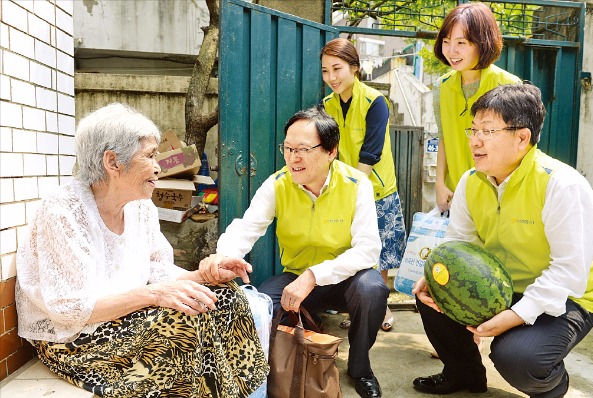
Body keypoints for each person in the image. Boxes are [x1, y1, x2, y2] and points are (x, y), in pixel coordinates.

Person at [15, 103, 269, 398]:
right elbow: (71, 309)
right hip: (74, 340)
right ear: (113, 162)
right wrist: (154, 295)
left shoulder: (141, 207)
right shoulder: (64, 212)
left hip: (125, 318)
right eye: (149, 156)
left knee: (225, 297)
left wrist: (203, 275)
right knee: (184, 321)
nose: (159, 166)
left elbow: (159, 272)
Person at [412, 83, 593, 396]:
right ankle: (464, 375)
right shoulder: (470, 181)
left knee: (516, 357)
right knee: (432, 295)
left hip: (566, 296)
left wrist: (514, 317)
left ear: (522, 138)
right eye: (473, 129)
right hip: (502, 288)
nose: (474, 140)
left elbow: (569, 272)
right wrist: (434, 274)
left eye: (487, 130)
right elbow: (459, 244)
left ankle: (552, 385)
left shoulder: (562, 185)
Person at [199, 106, 388, 398]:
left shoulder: (356, 184)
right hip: (296, 276)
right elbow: (245, 228)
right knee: (261, 303)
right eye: (287, 148)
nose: (292, 158)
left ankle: (360, 368)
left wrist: (315, 275)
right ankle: (272, 369)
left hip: (345, 280)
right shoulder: (277, 184)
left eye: (302, 149)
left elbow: (367, 250)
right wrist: (225, 256)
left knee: (372, 289)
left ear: (330, 151)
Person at [321, 37, 406, 332]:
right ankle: (358, 306)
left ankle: (381, 309)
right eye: (325, 71)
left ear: (354, 68)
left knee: (379, 255)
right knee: (353, 252)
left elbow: (371, 151)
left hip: (377, 189)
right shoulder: (327, 105)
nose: (331, 77)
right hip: (346, 189)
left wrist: (353, 189)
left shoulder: (375, 101)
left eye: (337, 68)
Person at [432, 2, 521, 213]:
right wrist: (439, 184)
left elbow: (518, 151)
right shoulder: (441, 86)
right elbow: (443, 137)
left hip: (496, 199)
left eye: (461, 42)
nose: (451, 51)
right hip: (455, 196)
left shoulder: (509, 86)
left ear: (482, 43)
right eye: (446, 41)